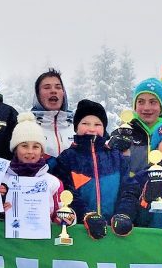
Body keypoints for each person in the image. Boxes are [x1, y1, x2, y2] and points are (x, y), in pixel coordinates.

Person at [54, 99, 129, 239]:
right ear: (76, 127)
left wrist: (124, 214)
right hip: (80, 231)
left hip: (114, 231)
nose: (92, 128)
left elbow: (128, 190)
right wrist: (86, 215)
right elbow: (66, 191)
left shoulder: (116, 157)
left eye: (97, 124)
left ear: (104, 128)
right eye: (85, 123)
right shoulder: (67, 157)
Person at [1, 113, 74, 224]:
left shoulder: (53, 183)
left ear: (41, 151)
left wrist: (67, 219)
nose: (30, 151)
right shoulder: (2, 180)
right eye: (24, 146)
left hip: (41, 234)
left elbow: (62, 215)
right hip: (8, 234)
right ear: (15, 149)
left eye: (35, 146)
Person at [114, 77, 162, 176]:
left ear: (161, 106)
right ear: (135, 106)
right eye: (141, 102)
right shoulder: (124, 133)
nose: (146, 108)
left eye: (153, 102)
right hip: (129, 185)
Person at [30, 68, 74, 157]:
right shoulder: (26, 126)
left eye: (58, 87)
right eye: (47, 87)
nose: (53, 91)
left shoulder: (78, 127)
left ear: (63, 93)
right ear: (37, 94)